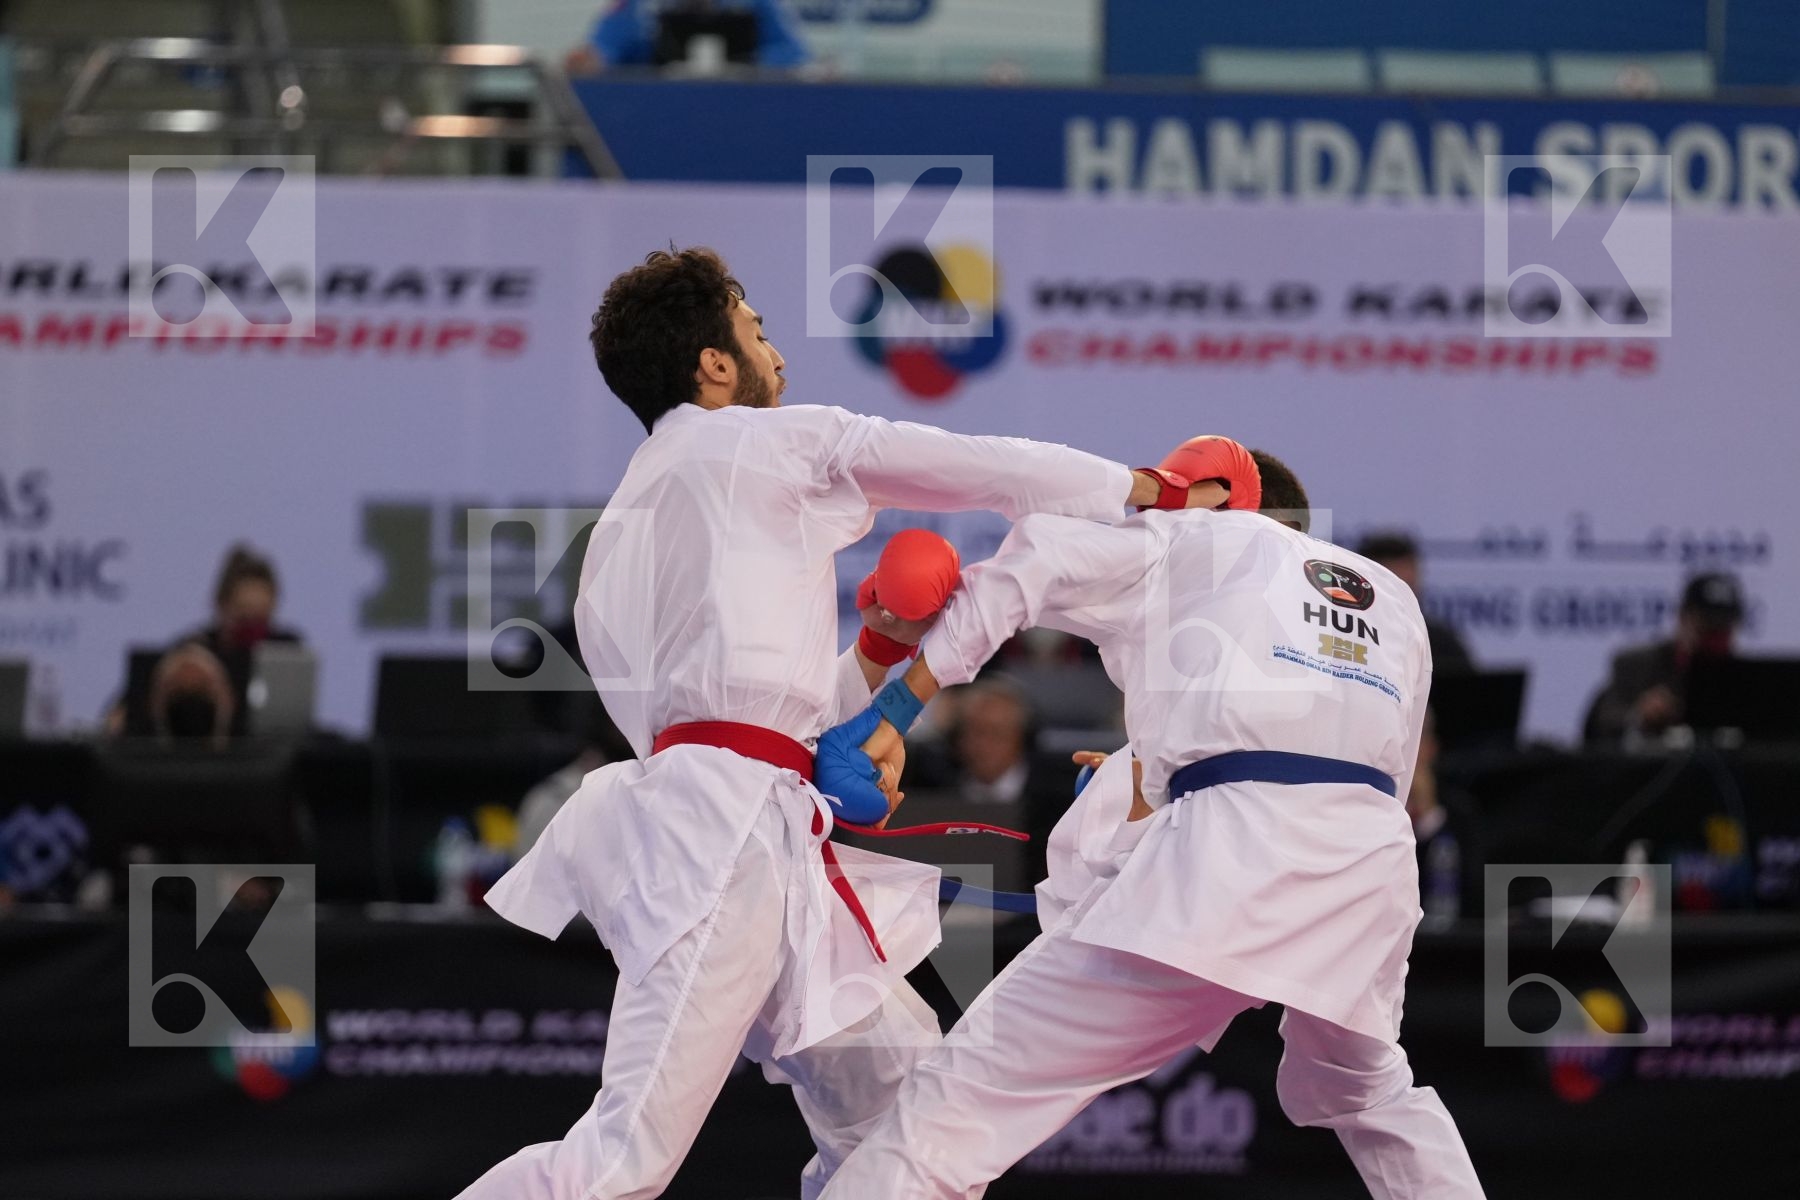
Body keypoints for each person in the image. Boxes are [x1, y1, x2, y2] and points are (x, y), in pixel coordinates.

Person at [456, 247, 1191, 1200]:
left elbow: (752, 727)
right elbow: (981, 469)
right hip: (718, 845)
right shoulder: (756, 444)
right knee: (627, 1153)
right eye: (757, 332)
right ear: (713, 364)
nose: (779, 358)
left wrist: (881, 651)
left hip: (736, 825)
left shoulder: (622, 533)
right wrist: (1141, 491)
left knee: (903, 1104)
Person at [817, 437, 1485, 1199]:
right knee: (1371, 1095)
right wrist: (1166, 780)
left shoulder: (1197, 533)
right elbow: (1375, 778)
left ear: (1219, 495)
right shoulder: (1392, 600)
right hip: (1368, 878)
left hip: (1230, 863)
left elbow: (1029, 567)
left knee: (955, 1107)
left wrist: (897, 705)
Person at [1584, 571, 1746, 746]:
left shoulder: (1745, 679)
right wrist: (1640, 715)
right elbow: (1605, 721)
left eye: (1724, 627)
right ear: (1683, 618)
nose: (1715, 635)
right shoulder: (1637, 665)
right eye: (1708, 625)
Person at [565, 0, 811, 74]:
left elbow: (793, 52)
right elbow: (604, 48)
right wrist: (588, 60)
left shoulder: (759, 4)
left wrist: (743, 67)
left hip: (742, 108)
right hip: (659, 111)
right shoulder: (638, 6)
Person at [1357, 531, 1474, 674]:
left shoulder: (1442, 645)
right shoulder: (1347, 638)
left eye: (1409, 587)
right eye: (1394, 589)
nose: (1404, 599)